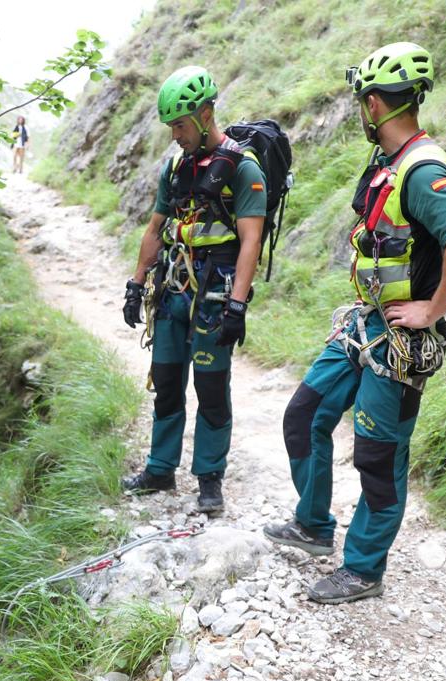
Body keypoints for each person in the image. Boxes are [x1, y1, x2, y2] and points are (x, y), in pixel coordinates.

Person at [263, 43, 446, 604]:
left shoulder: (421, 169)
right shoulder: (388, 161)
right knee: (304, 417)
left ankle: (363, 569)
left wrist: (432, 311)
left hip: (400, 340)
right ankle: (313, 526)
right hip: (364, 325)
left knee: (377, 455)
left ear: (371, 104)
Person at [121, 66, 267, 513]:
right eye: (170, 127)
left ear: (206, 114)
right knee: (166, 381)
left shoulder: (243, 168)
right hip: (173, 289)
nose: (175, 135)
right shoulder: (175, 167)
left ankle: (209, 480)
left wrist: (237, 305)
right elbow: (155, 228)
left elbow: (250, 241)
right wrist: (136, 282)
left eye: (180, 125)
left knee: (209, 384)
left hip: (214, 293)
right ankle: (160, 470)